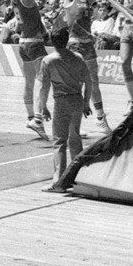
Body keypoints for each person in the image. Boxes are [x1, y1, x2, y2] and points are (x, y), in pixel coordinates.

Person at [2, 0, 49, 139]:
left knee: (29, 83)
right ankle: (38, 117)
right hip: (35, 43)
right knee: (45, 80)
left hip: (22, 43)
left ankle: (31, 117)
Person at [38, 28, 93, 193]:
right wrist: (85, 103)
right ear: (67, 39)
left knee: (59, 141)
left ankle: (59, 182)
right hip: (77, 99)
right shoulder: (78, 58)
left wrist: (43, 107)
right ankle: (79, 177)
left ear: (52, 42)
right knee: (75, 140)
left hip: (61, 101)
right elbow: (89, 82)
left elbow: (44, 86)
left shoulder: (49, 60)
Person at [61, 0, 110, 133]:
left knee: (93, 81)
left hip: (89, 46)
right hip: (74, 45)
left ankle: (100, 119)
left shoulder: (89, 0)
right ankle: (74, 123)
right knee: (75, 84)